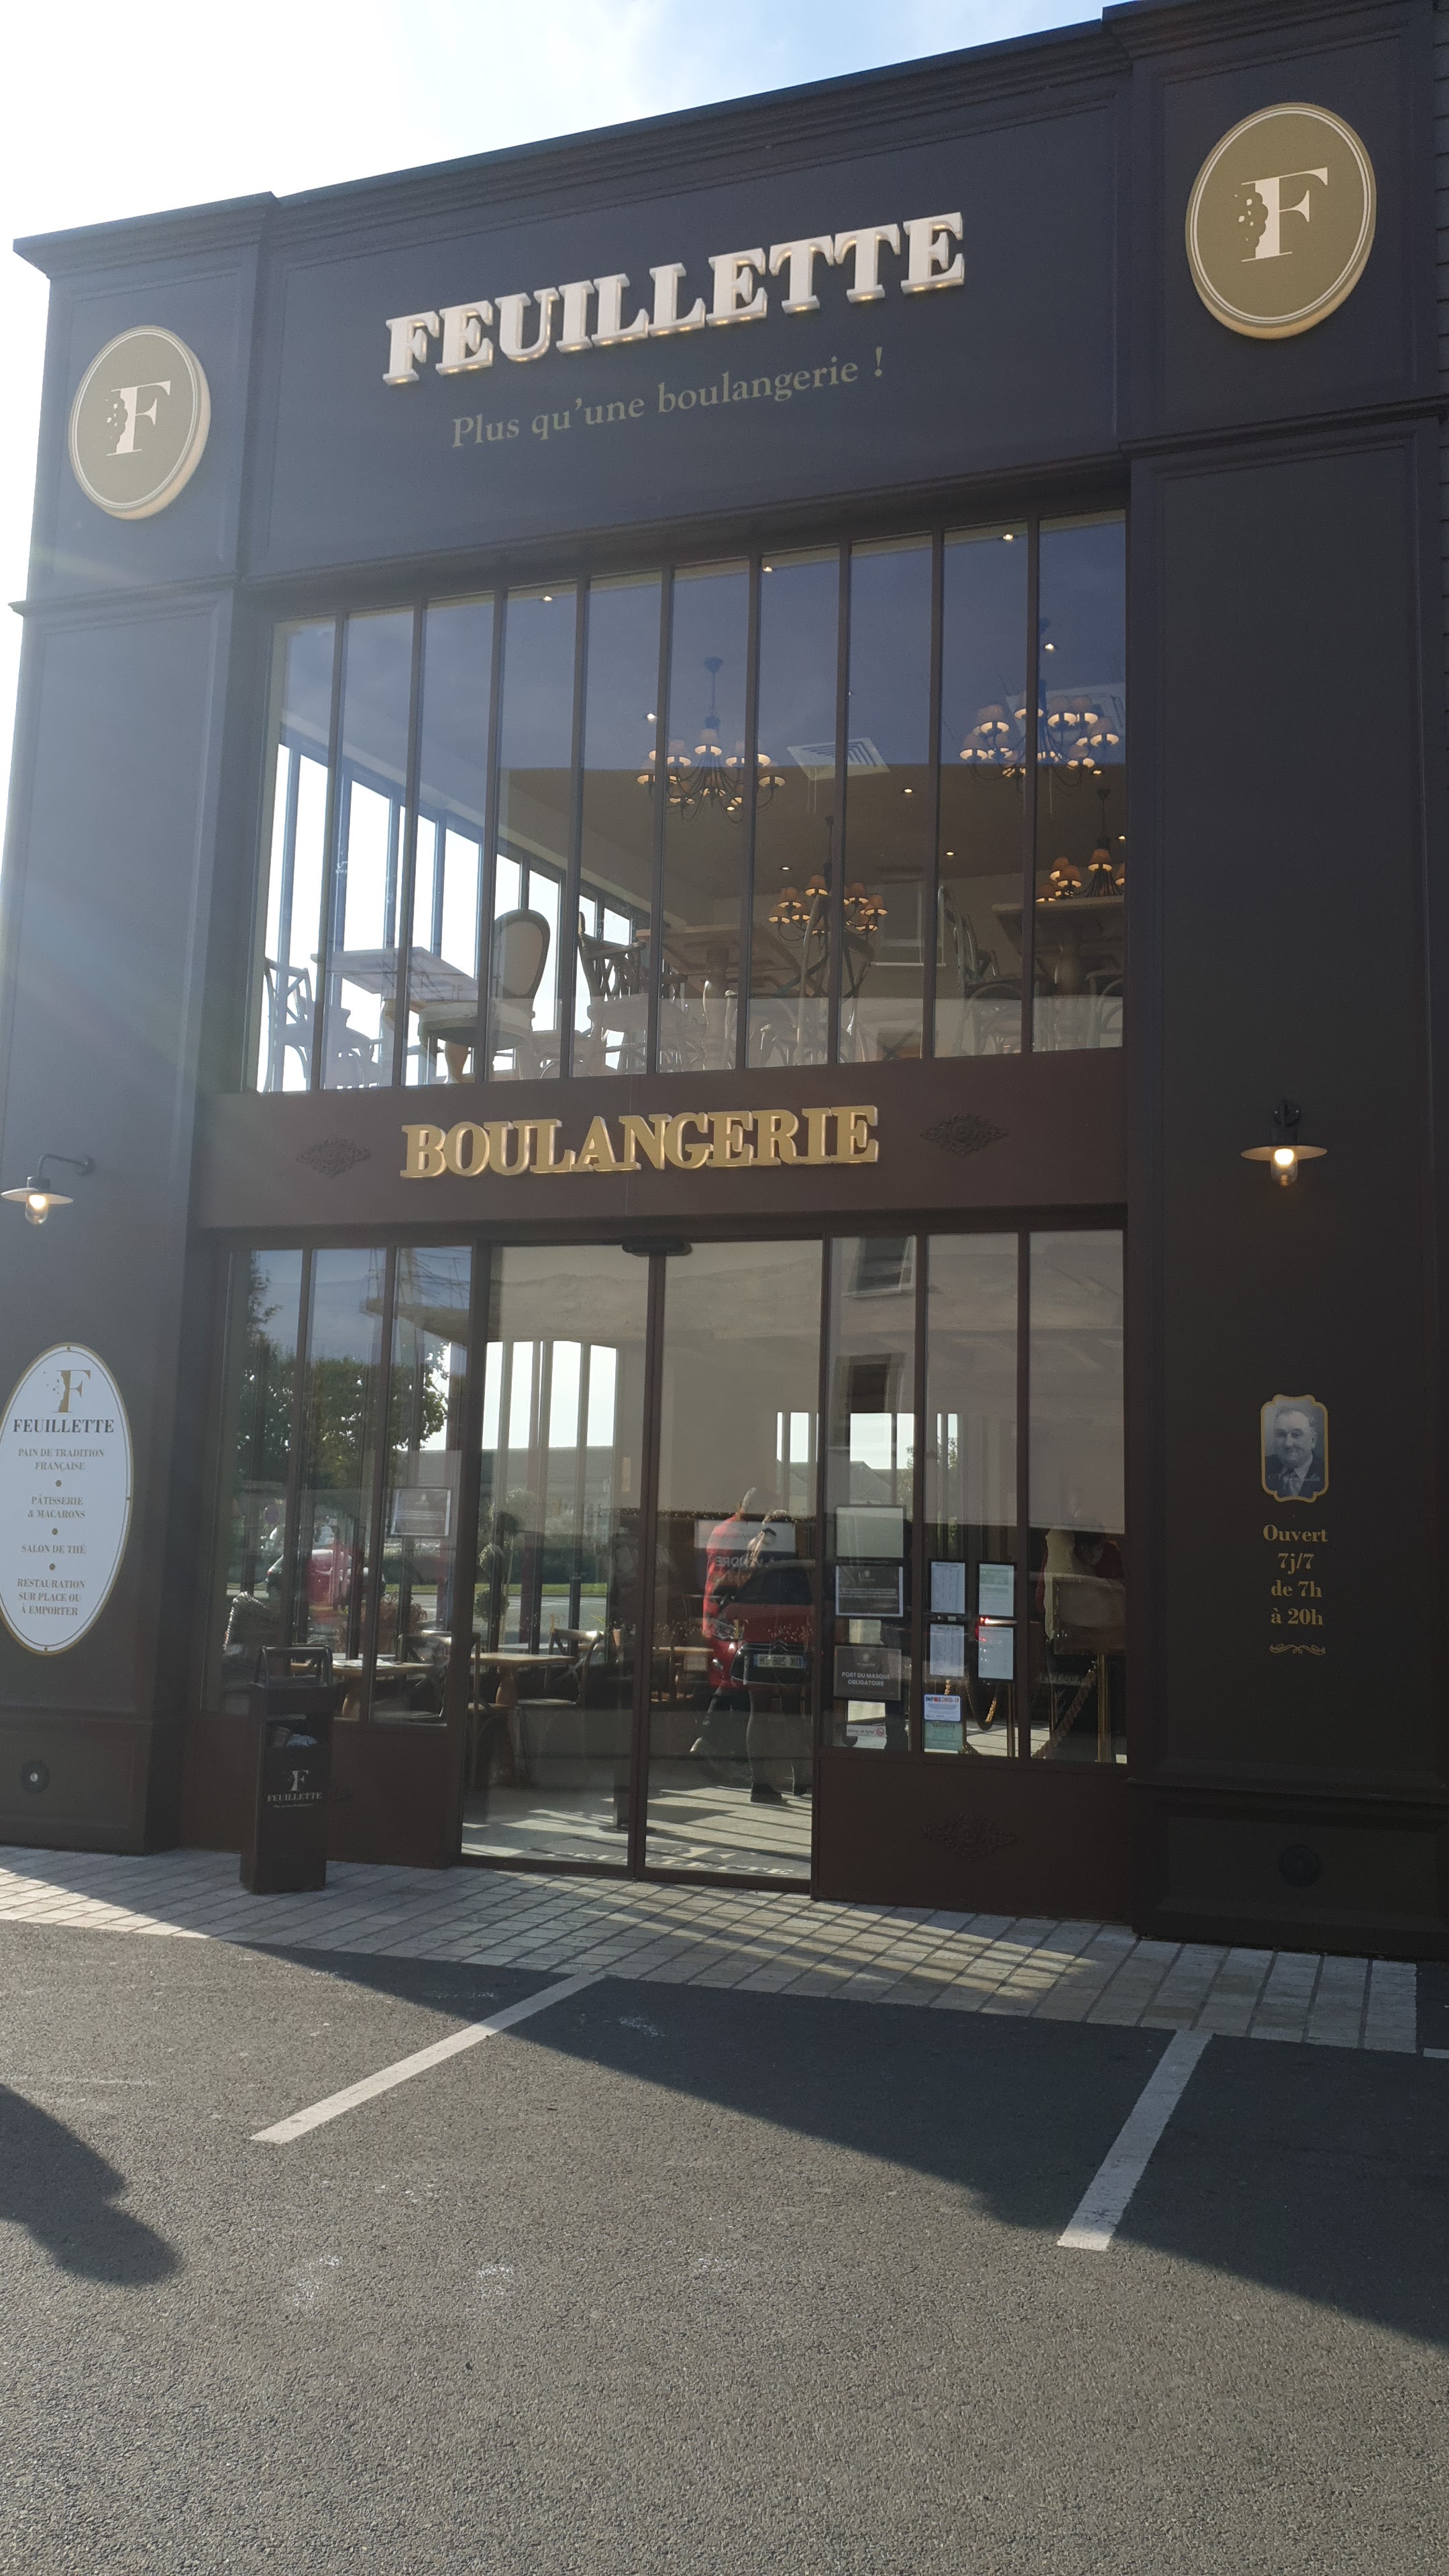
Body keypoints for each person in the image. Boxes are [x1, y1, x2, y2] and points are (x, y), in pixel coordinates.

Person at [1264, 1406, 1324, 1501]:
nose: (1288, 1444)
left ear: (1313, 1440)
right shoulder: (1263, 1466)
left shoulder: (1326, 1471)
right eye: (1281, 1435)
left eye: (1296, 1435)